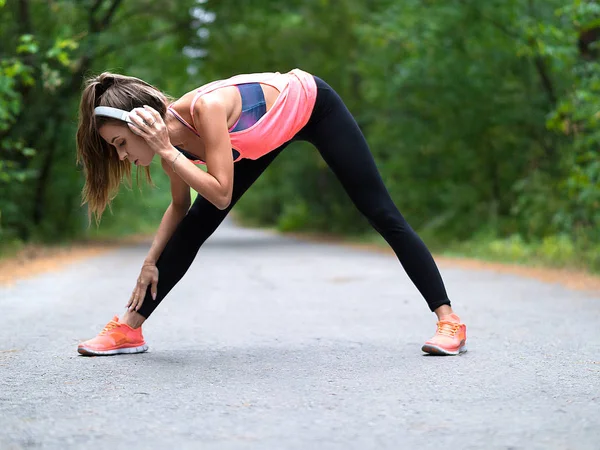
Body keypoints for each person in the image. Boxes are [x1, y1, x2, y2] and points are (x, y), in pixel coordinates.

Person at [75, 68, 467, 357]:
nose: (123, 155)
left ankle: (449, 320)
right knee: (195, 225)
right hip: (254, 141)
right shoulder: (171, 151)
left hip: (312, 106)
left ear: (145, 124)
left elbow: (222, 194)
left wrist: (168, 152)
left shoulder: (204, 110)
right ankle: (130, 329)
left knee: (381, 212)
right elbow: (180, 207)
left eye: (121, 143)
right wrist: (149, 260)